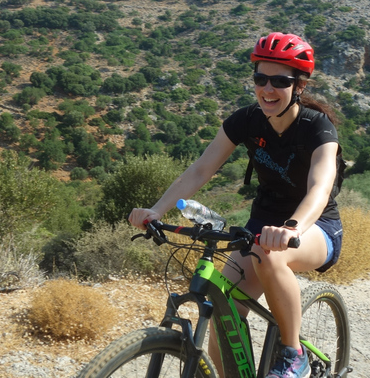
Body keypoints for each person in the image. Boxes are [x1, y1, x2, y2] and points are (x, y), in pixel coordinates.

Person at [128, 32, 344, 378]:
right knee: (222, 309)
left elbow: (319, 188)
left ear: (299, 86)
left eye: (280, 81)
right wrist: (157, 210)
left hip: (315, 227)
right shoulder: (247, 120)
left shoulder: (317, 128)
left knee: (269, 255)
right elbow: (200, 169)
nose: (268, 89)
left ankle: (293, 355)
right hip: (261, 228)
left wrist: (291, 228)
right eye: (261, 78)